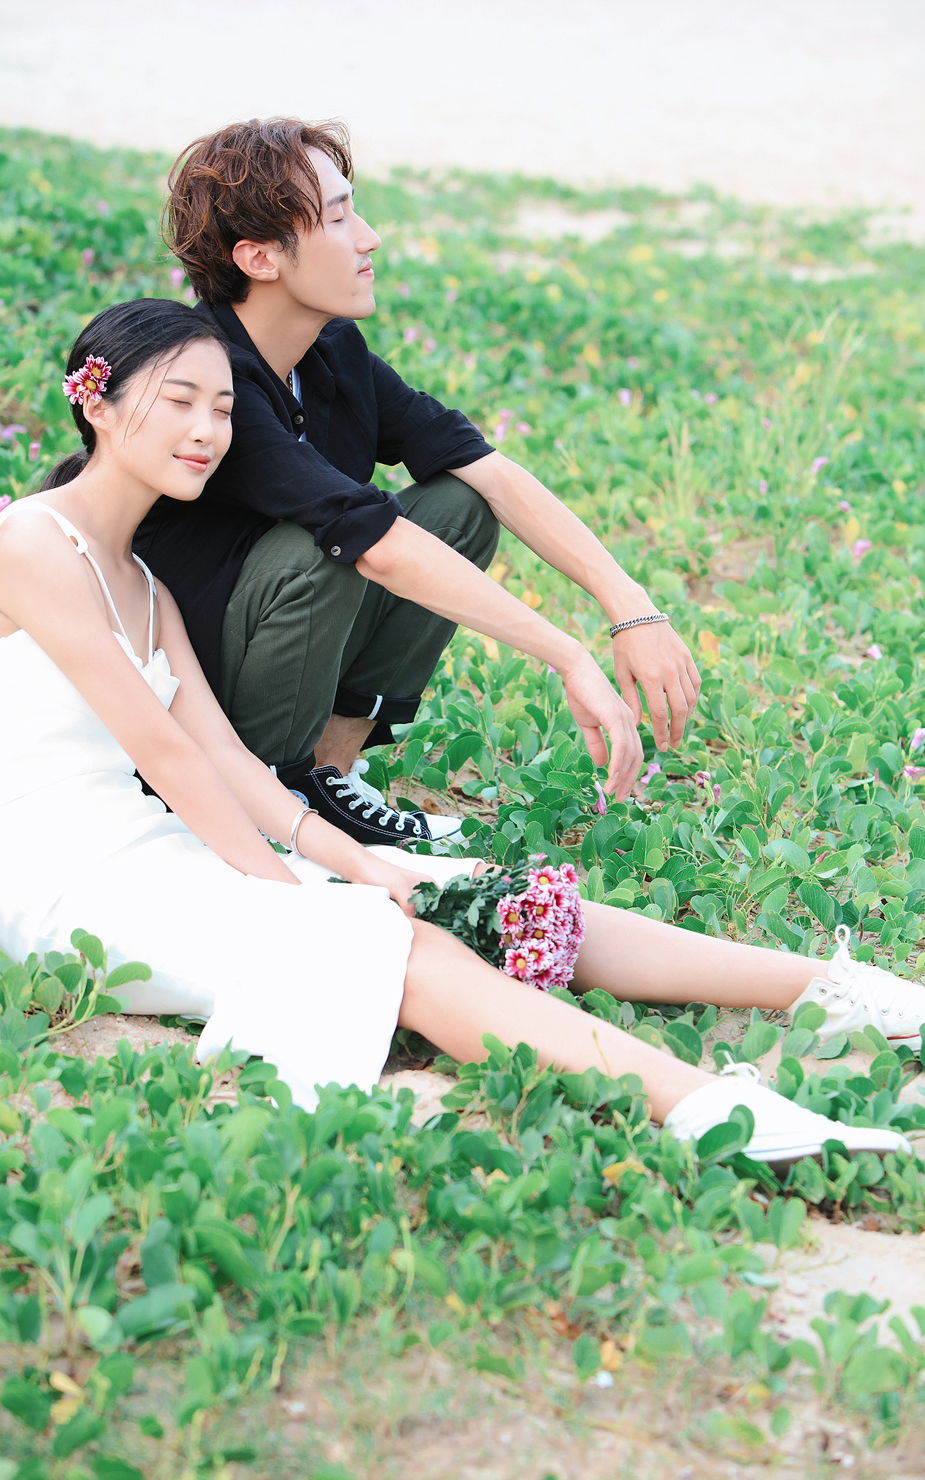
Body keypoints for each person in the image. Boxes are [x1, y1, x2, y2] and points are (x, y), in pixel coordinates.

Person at [0, 300, 920, 1169]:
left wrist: (359, 866)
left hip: (156, 849)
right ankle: (709, 1110)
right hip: (60, 888)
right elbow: (164, 757)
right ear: (98, 404)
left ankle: (833, 987)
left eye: (224, 407)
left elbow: (229, 763)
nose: (209, 430)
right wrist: (297, 896)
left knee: (464, 890)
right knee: (393, 942)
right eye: (180, 402)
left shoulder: (146, 587)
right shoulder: (33, 544)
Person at [133, 117, 702, 847]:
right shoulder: (213, 382)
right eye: (338, 219)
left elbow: (486, 472)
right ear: (260, 257)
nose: (369, 238)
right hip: (188, 696)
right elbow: (372, 545)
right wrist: (567, 654)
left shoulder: (329, 350)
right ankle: (271, 796)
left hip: (274, 639)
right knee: (325, 548)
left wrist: (629, 606)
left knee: (457, 506)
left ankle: (325, 775)